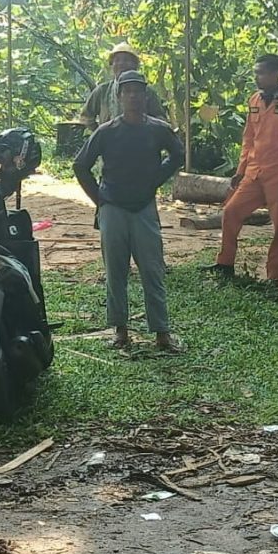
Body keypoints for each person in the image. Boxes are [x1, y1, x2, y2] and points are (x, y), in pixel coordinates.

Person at [73, 70, 185, 351]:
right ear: (120, 96)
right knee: (116, 271)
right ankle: (121, 332)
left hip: (144, 206)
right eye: (128, 91)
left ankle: (162, 334)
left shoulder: (158, 128)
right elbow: (80, 165)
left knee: (152, 270)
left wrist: (155, 180)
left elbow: (178, 155)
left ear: (145, 96)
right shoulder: (107, 131)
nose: (133, 96)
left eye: (138, 91)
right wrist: (99, 199)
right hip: (113, 207)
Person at [206, 54, 278, 286]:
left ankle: (274, 278)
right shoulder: (254, 100)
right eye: (256, 73)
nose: (256, 77)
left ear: (275, 74)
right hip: (254, 172)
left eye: (260, 73)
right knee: (231, 212)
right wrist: (240, 170)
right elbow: (248, 138)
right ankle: (225, 263)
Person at [80, 43, 167, 128]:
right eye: (117, 60)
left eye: (126, 60)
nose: (121, 63)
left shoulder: (147, 91)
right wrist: (99, 133)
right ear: (112, 64)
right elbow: (86, 116)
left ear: (135, 65)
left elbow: (160, 119)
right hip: (110, 140)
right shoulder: (102, 91)